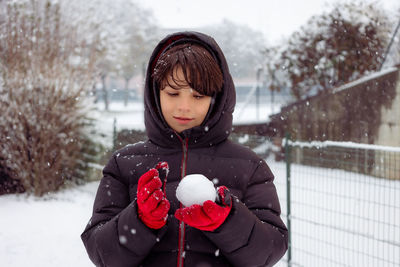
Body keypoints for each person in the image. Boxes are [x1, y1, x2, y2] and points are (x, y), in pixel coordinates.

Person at [81, 31, 288, 267]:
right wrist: (140, 219)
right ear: (155, 94)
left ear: (218, 99)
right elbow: (101, 253)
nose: (184, 106)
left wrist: (228, 220)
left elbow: (270, 251)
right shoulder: (123, 164)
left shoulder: (250, 167)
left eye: (198, 95)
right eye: (172, 93)